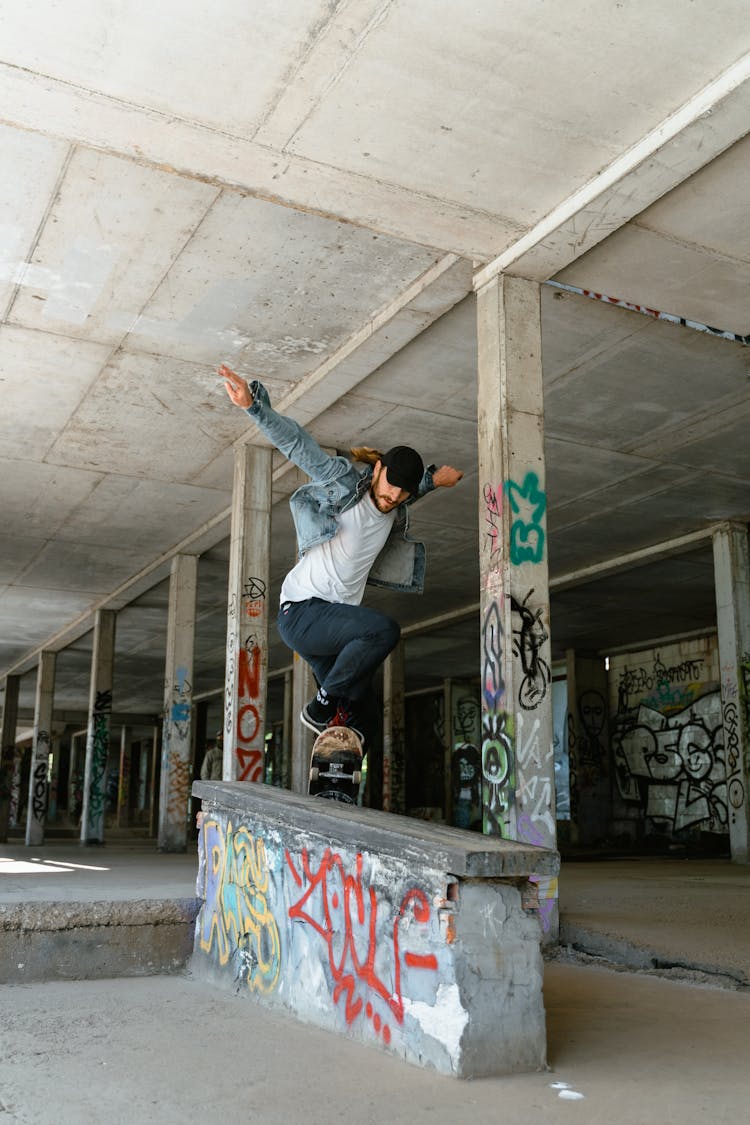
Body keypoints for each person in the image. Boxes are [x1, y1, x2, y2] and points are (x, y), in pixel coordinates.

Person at [220, 364, 463, 743]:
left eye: (400, 496)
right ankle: (318, 708)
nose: (391, 500)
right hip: (302, 611)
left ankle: (336, 782)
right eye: (388, 490)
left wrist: (434, 480)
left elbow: (412, 491)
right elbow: (299, 445)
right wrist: (254, 407)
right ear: (377, 469)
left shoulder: (397, 501)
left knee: (362, 713)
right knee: (383, 630)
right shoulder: (343, 482)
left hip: (331, 628)